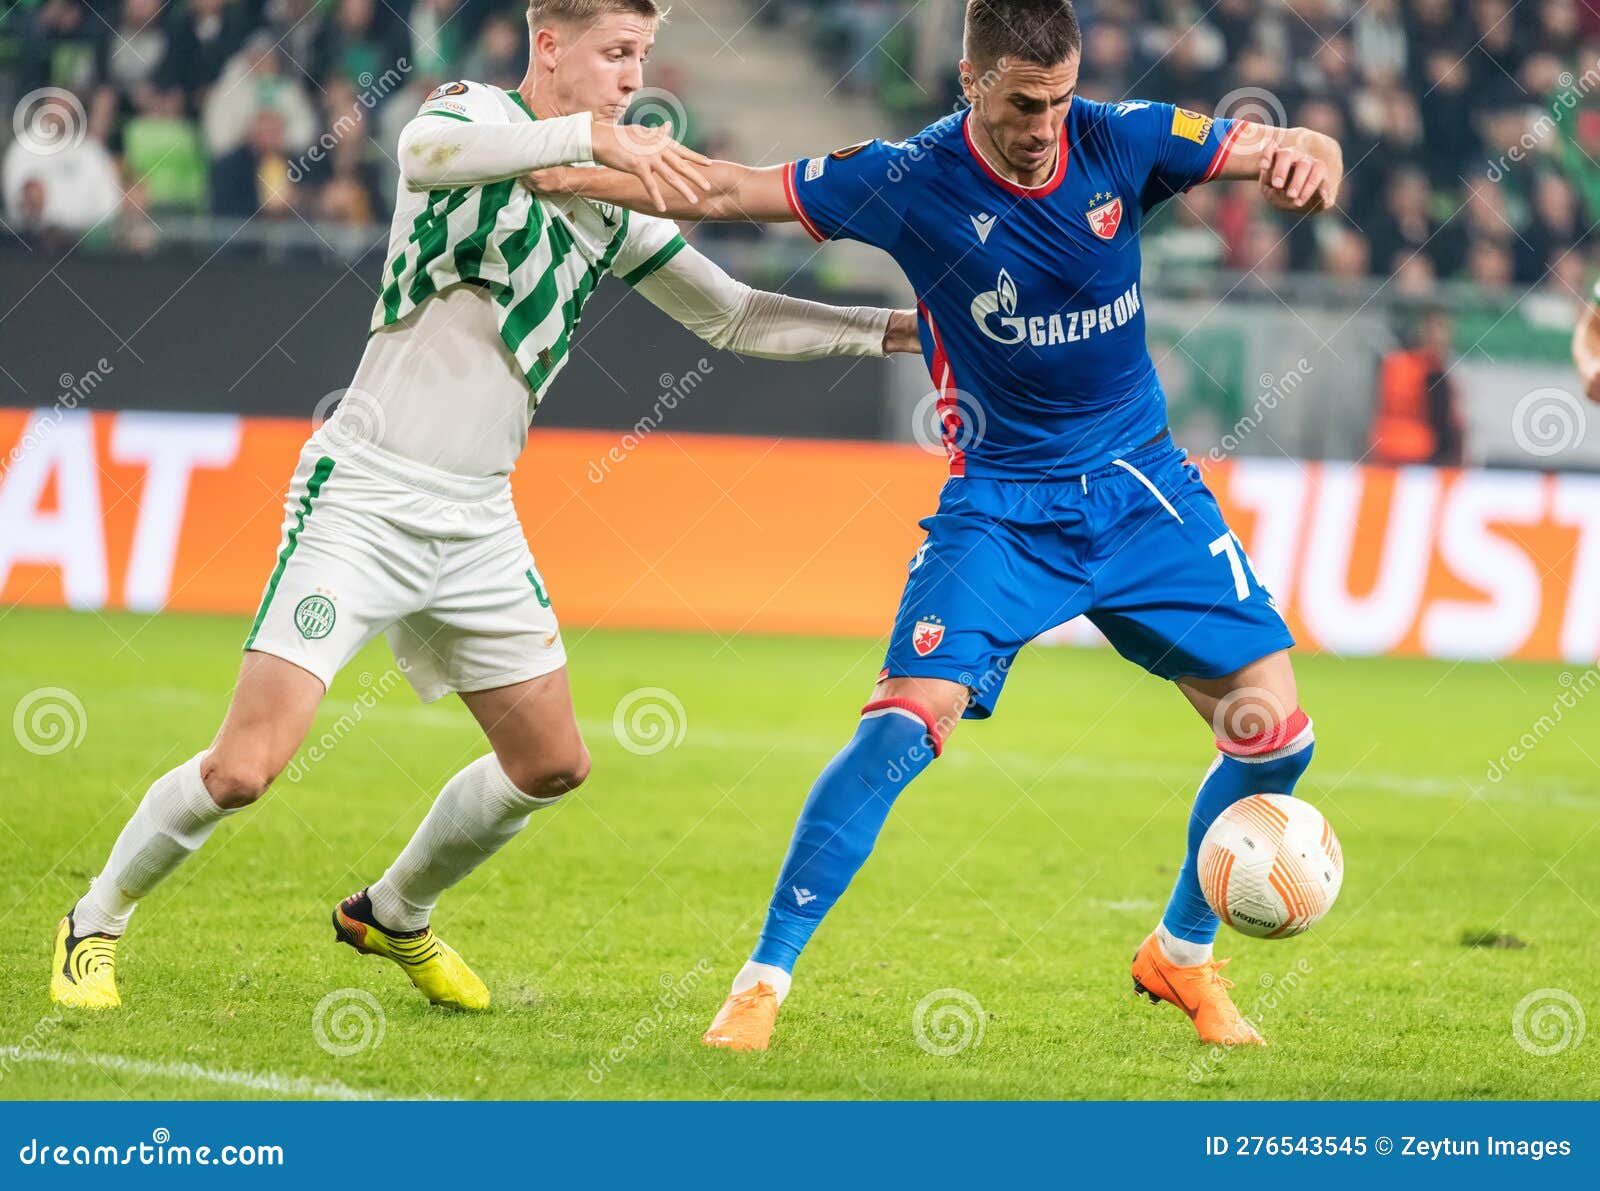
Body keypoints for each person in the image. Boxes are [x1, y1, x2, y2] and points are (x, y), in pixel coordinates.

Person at [50, 0, 919, 1014]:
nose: (634, 77)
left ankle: (393, 911)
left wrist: (897, 330)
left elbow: (733, 315)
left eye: (643, 56)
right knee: (245, 769)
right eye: (616, 54)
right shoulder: (469, 116)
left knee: (551, 764)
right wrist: (587, 134)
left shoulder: (609, 203)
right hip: (365, 499)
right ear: (549, 46)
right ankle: (94, 920)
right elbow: (423, 150)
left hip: (475, 519)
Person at [530, 0, 1343, 1050]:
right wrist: (556, 173)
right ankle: (760, 982)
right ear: (969, 80)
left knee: (1275, 738)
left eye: (1056, 98)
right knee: (900, 726)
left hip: (1144, 492)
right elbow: (729, 191)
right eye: (1019, 103)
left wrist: (1312, 150)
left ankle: (1179, 957)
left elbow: (1285, 143)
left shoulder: (1122, 137)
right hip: (1001, 506)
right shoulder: (906, 176)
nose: (1044, 124)